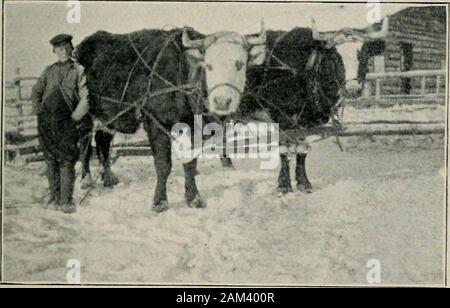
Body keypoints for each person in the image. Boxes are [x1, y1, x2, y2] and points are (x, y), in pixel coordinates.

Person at [31, 34, 90, 214]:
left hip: (67, 122)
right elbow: (36, 92)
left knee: (66, 160)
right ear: (54, 51)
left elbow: (86, 98)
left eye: (66, 48)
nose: (63, 51)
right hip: (46, 123)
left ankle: (65, 200)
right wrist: (38, 111)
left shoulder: (79, 70)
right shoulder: (48, 71)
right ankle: (54, 197)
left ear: (71, 49)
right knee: (50, 160)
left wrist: (74, 118)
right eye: (59, 48)